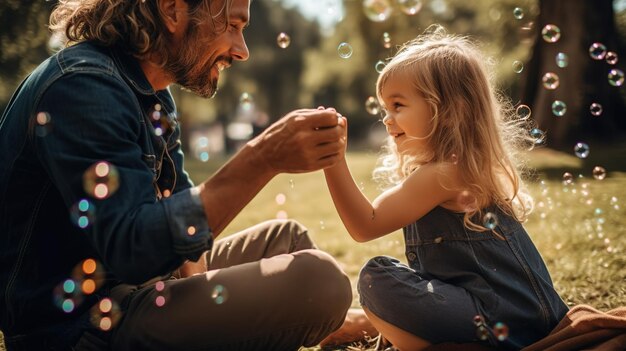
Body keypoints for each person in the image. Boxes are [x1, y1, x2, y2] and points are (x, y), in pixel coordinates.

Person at [0, 0, 353, 350]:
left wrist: (202, 305)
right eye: (232, 25)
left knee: (286, 239)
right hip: (85, 325)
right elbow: (132, 250)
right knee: (321, 282)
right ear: (172, 10)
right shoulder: (83, 86)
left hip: (139, 289)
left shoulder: (149, 89)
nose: (242, 50)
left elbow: (181, 215)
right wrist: (262, 158)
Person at [322, 26, 569, 351]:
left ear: (446, 110)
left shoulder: (444, 174)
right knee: (393, 284)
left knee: (375, 277)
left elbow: (365, 224)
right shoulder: (459, 169)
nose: (387, 119)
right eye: (385, 109)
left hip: (504, 319)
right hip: (517, 317)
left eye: (398, 105)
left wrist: (331, 158)